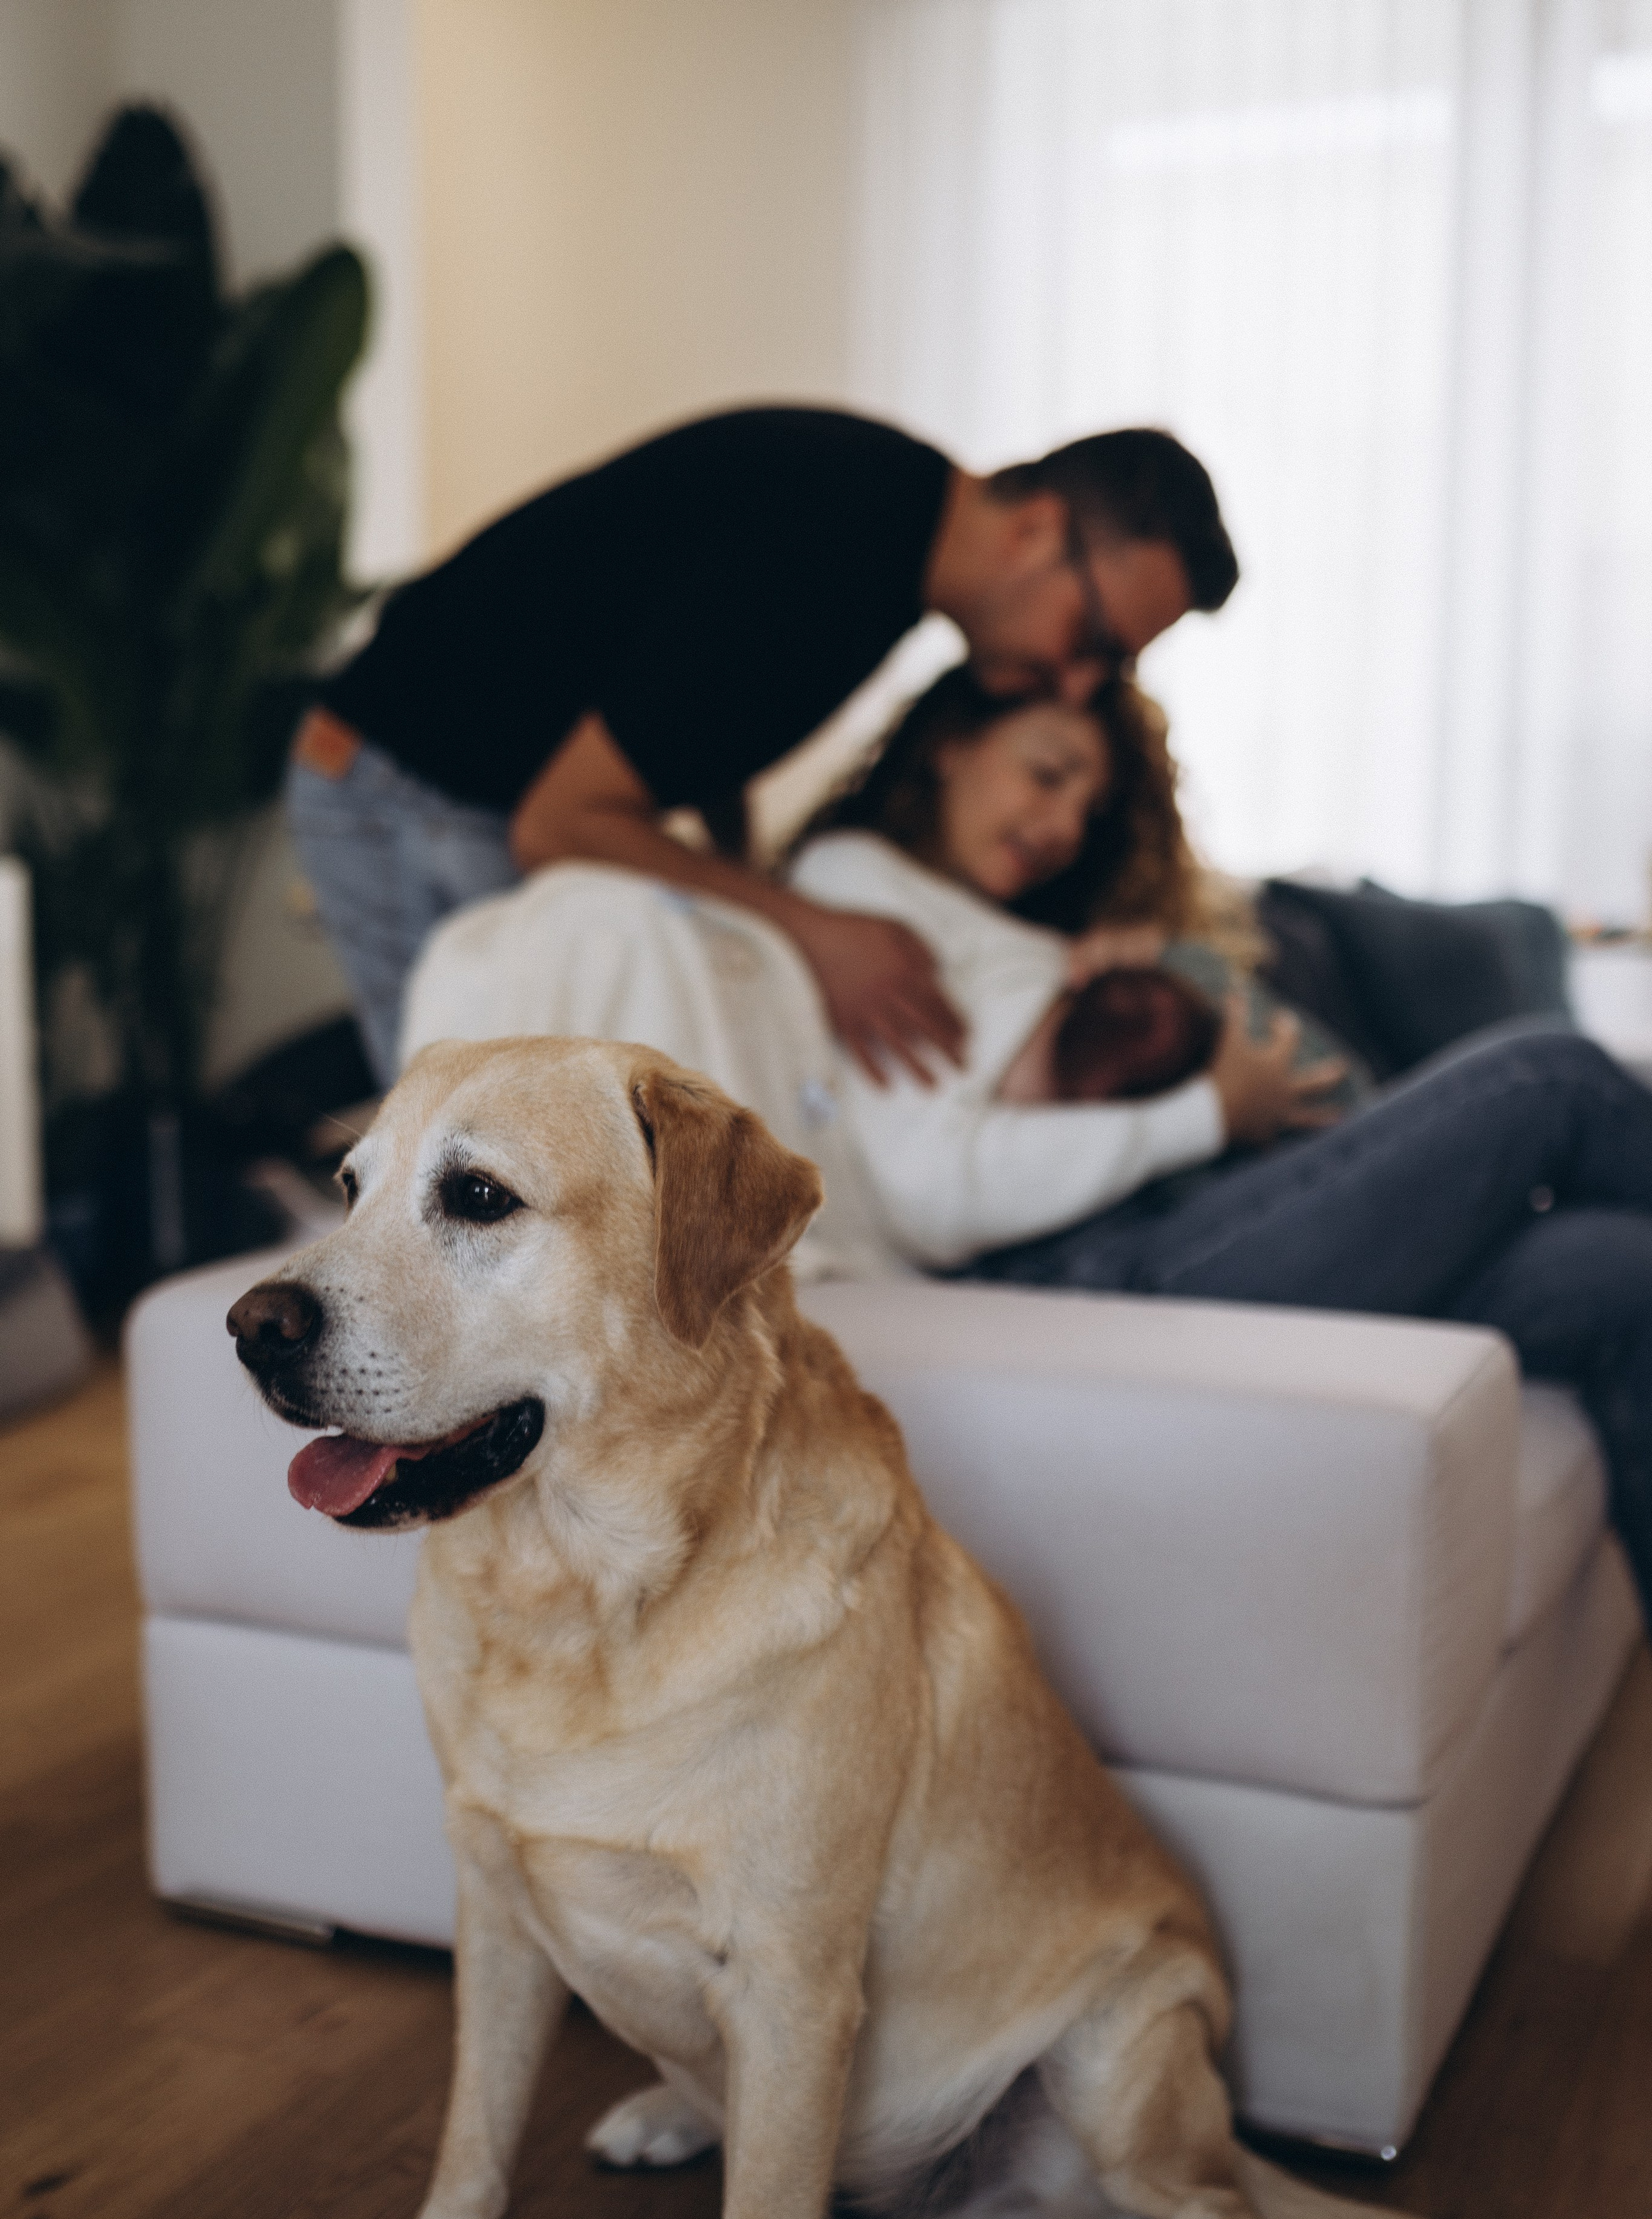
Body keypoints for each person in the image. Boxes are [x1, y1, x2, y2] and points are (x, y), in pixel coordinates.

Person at [787, 667, 1652, 1620]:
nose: (1066, 826)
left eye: (1091, 806)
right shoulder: (856, 889)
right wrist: (1209, 1111)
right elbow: (932, 1192)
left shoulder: (1030, 933)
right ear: (950, 743)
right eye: (1047, 774)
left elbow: (1325, 1090)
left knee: (1619, 1271)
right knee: (1548, 1077)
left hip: (1210, 1207)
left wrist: (1157, 968)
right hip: (1117, 1260)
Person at [286, 409, 1237, 1087]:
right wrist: (811, 932)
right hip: (404, 781)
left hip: (474, 784)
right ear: (1037, 532)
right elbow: (559, 823)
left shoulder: (888, 528)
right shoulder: (832, 551)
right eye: (1093, 642)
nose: (1078, 687)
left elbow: (691, 720)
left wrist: (740, 874)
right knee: (485, 1142)